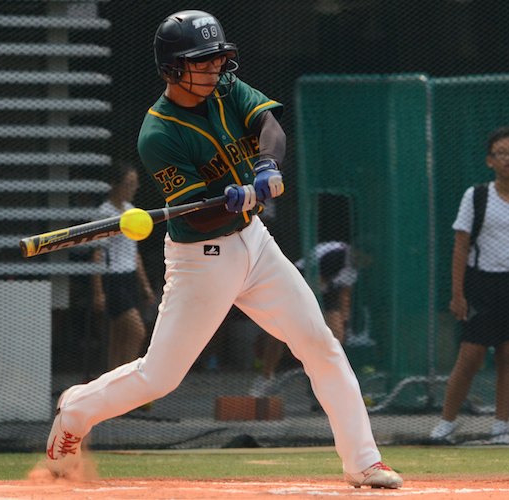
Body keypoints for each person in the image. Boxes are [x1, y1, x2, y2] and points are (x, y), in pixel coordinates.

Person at [44, 10, 402, 489]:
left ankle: (364, 461)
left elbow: (270, 128)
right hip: (202, 258)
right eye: (202, 61)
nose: (215, 68)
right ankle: (75, 413)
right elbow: (195, 214)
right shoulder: (159, 133)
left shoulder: (225, 88)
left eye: (217, 58)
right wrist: (233, 199)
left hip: (255, 243)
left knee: (319, 344)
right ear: (172, 68)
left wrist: (266, 170)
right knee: (160, 377)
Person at [429, 126, 509, 444]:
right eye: (501, 153)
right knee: (470, 355)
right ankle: (446, 423)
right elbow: (460, 244)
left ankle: (501, 427)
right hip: (481, 283)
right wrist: (458, 293)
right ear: (490, 161)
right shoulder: (476, 196)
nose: (508, 159)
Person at [250, 241, 357, 397]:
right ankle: (266, 376)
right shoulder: (335, 256)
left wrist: (344, 320)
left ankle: (330, 382)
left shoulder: (354, 267)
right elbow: (315, 283)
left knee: (337, 335)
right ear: (357, 252)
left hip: (326, 290)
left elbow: (344, 294)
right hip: (299, 283)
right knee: (280, 332)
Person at [91, 163, 156, 371]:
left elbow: (134, 252)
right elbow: (97, 253)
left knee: (119, 336)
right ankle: (128, 377)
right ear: (114, 185)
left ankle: (113, 380)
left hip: (130, 278)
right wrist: (98, 292)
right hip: (113, 278)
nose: (132, 189)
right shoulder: (104, 212)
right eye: (128, 184)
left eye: (134, 184)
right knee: (137, 330)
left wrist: (144, 285)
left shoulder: (133, 212)